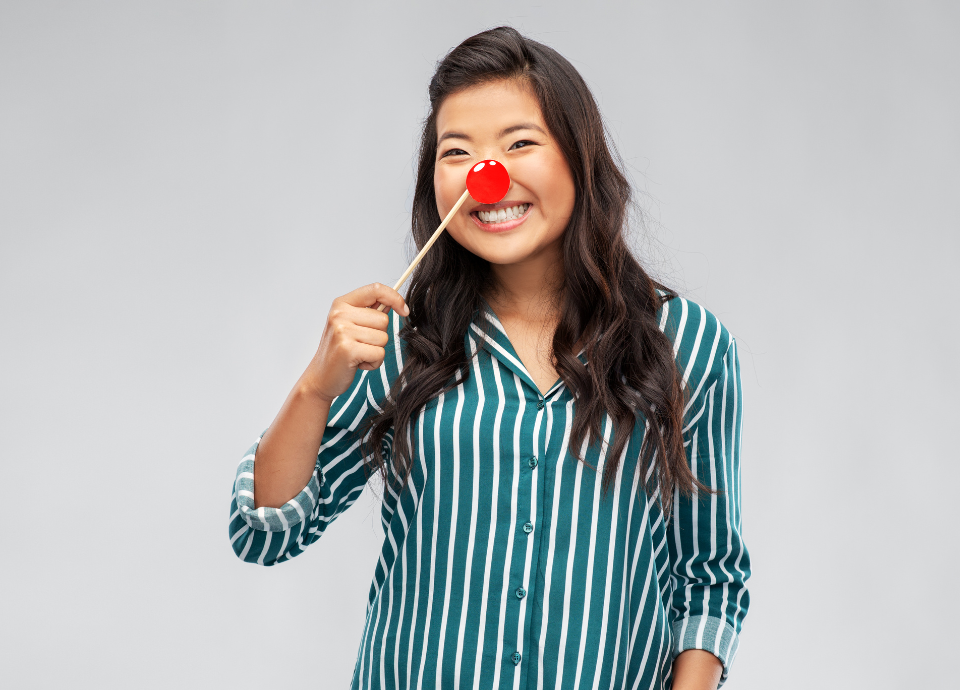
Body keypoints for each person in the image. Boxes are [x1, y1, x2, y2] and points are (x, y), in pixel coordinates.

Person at [228, 26, 750, 690]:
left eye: (519, 143)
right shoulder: (397, 340)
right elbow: (265, 533)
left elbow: (709, 577)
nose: (488, 172)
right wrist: (314, 386)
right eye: (457, 151)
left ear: (577, 156)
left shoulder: (689, 346)